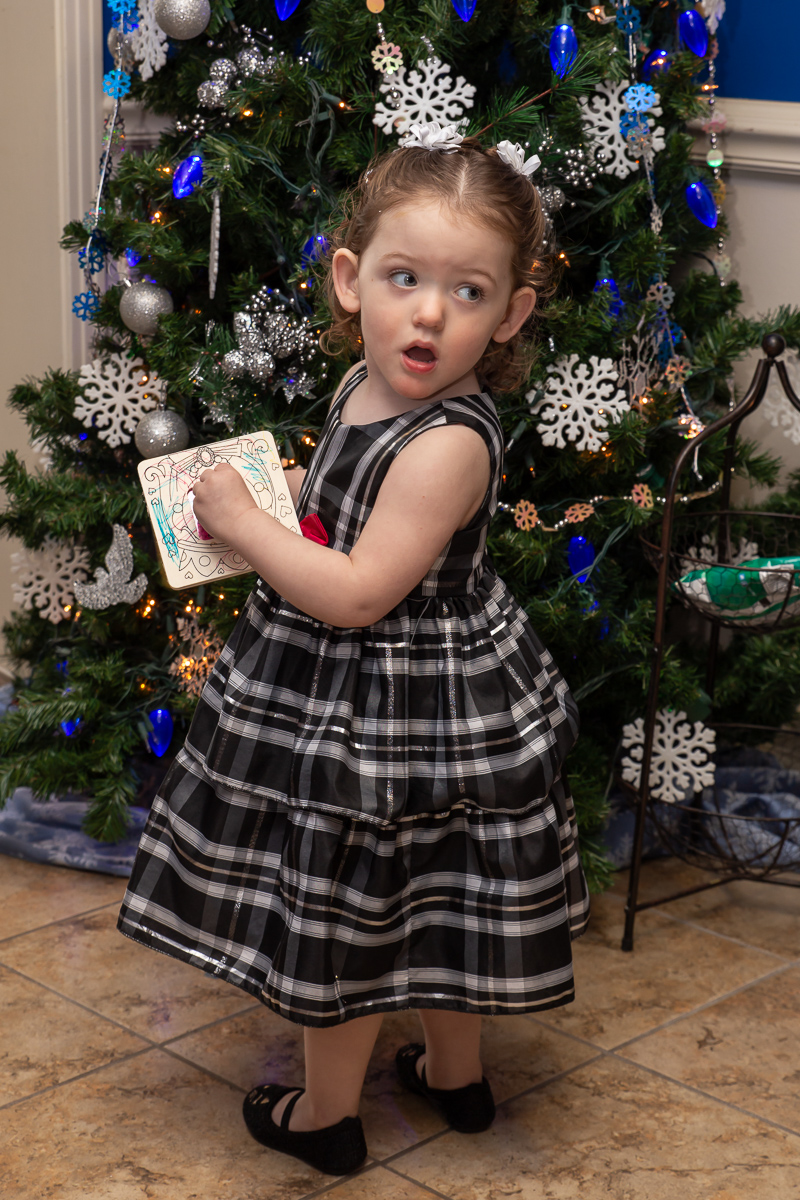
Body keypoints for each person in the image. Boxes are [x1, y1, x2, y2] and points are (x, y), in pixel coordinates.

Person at [118, 122, 590, 1177]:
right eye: (403, 278)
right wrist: (289, 502)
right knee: (430, 892)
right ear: (349, 280)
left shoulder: (449, 442)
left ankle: (329, 1114)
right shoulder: (365, 387)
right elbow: (344, 519)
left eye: (467, 293)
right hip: (357, 687)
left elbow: (362, 592)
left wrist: (246, 530)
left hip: (399, 705)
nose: (427, 311)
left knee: (363, 901)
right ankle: (448, 1080)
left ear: (510, 312)